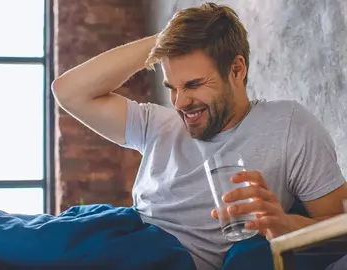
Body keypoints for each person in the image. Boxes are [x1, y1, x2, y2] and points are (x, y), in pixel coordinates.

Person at [51, 2, 347, 270]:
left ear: (236, 69)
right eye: (172, 88)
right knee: (18, 238)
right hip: (123, 237)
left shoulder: (289, 126)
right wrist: (166, 39)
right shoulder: (157, 123)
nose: (180, 102)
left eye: (193, 84)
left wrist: (285, 225)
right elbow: (68, 92)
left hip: (169, 258)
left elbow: (339, 229)